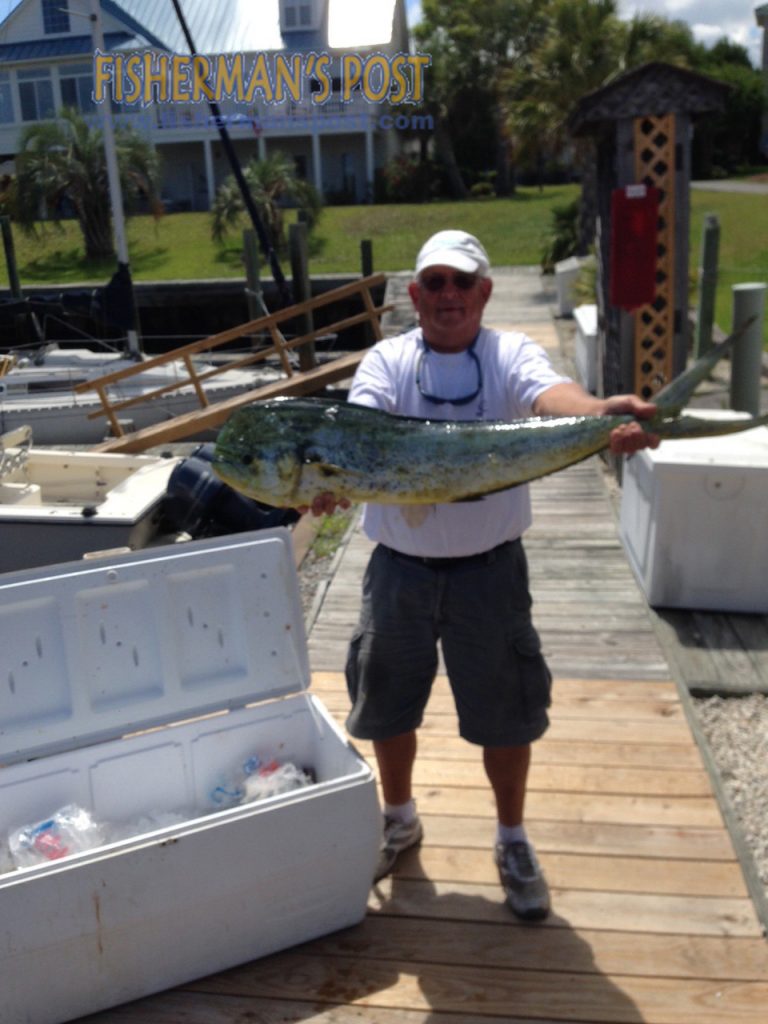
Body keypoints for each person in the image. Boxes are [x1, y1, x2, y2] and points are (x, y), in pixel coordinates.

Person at [307, 230, 659, 921]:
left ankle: (512, 837)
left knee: (506, 714)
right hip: (398, 572)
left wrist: (598, 417)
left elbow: (549, 393)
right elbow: (364, 423)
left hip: (491, 573)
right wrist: (334, 469)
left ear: (484, 293)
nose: (447, 296)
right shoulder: (386, 360)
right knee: (384, 702)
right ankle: (399, 816)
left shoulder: (509, 353)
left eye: (461, 283)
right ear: (414, 295)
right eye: (434, 283)